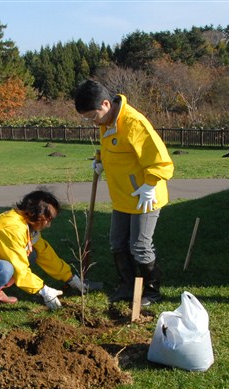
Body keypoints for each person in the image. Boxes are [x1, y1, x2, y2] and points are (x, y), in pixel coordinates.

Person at [74, 80, 174, 306]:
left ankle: (151, 291)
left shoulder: (134, 123)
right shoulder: (106, 122)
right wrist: (101, 163)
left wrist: (150, 185)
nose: (92, 122)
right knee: (117, 243)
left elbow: (161, 161)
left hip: (145, 196)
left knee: (139, 245)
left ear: (106, 104)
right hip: (122, 196)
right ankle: (127, 286)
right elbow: (116, 150)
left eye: (92, 116)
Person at [0, 189, 99, 323]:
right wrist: (43, 290)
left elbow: (45, 253)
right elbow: (18, 267)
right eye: (48, 219)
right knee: (5, 269)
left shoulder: (26, 224)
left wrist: (70, 278)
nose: (49, 224)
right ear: (38, 216)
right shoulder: (12, 228)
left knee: (32, 254)